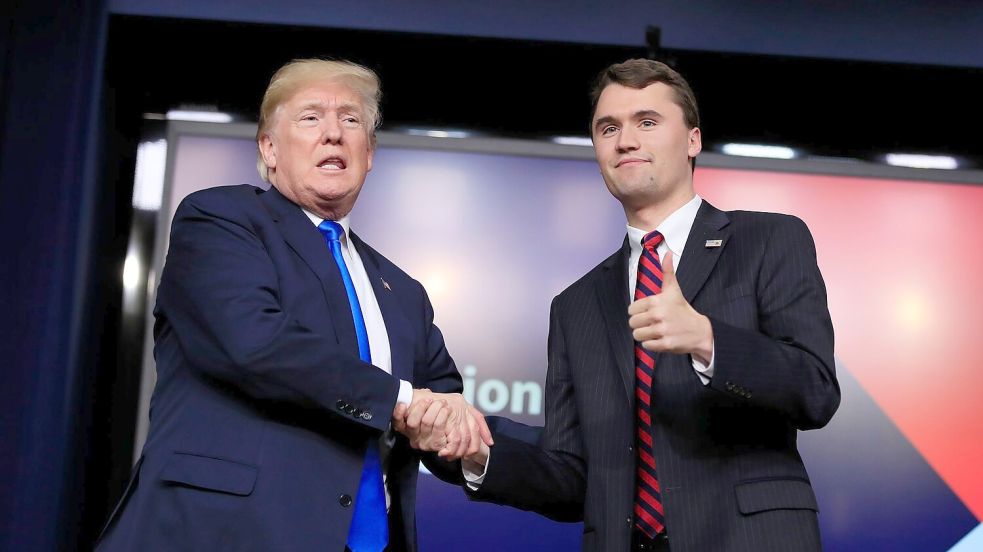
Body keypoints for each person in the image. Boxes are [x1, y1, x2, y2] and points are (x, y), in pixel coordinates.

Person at [405, 58, 840, 552]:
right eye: (608, 128)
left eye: (647, 122)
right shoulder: (576, 306)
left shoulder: (769, 239)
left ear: (693, 140)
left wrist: (707, 339)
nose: (625, 140)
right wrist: (473, 451)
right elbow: (571, 475)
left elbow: (816, 390)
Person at [95, 58, 490, 552]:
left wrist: (585, 464)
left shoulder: (403, 292)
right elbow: (255, 344)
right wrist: (402, 401)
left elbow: (448, 409)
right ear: (269, 148)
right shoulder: (221, 219)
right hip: (221, 536)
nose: (334, 134)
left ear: (369, 154)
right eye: (310, 118)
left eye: (351, 120)